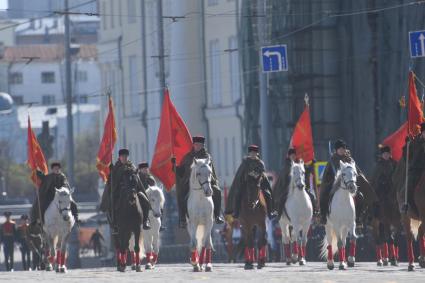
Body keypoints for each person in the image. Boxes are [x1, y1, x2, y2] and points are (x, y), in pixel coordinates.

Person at [319, 139, 378, 225]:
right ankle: (323, 216)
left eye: (343, 148)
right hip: (334, 185)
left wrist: (355, 180)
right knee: (324, 195)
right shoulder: (331, 161)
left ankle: (358, 218)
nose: (342, 150)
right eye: (340, 149)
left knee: (360, 197)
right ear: (336, 150)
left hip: (349, 184)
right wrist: (331, 181)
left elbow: (357, 172)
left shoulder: (350, 160)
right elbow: (326, 177)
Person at [173, 136, 224, 228]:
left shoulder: (207, 157)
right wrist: (174, 166)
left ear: (203, 145)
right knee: (180, 194)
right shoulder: (188, 157)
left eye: (200, 145)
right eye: (196, 145)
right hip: (190, 182)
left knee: (217, 191)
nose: (198, 146)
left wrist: (211, 181)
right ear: (193, 145)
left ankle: (217, 215)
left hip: (206, 181)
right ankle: (182, 218)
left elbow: (211, 171)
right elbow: (181, 171)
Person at [100, 149, 151, 231]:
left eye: (126, 156)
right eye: (122, 156)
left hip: (132, 190)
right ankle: (114, 223)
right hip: (119, 190)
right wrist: (111, 171)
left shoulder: (132, 166)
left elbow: (136, 179)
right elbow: (111, 181)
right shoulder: (115, 167)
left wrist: (134, 179)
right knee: (111, 202)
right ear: (119, 157)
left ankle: (145, 220)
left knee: (145, 200)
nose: (124, 158)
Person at [225, 145, 278, 220]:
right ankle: (236, 212)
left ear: (257, 153)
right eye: (251, 153)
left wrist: (253, 174)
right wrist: (250, 174)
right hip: (246, 183)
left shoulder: (260, 163)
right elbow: (242, 174)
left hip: (259, 183)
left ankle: (270, 213)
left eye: (254, 153)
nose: (253, 154)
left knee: (268, 194)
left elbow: (261, 173)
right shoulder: (245, 163)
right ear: (249, 153)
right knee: (238, 193)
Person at [273, 148, 318, 218]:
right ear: (289, 156)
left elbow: (305, 172)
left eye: (294, 155)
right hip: (288, 187)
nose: (293, 157)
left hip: (300, 186)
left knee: (311, 196)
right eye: (291, 155)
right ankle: (278, 214)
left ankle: (314, 213)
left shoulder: (299, 164)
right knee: (282, 199)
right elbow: (284, 177)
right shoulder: (286, 165)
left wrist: (311, 163)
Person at [138, 162, 166, 232]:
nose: (145, 170)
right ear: (140, 170)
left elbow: (155, 188)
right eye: (143, 169)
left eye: (146, 169)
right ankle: (145, 222)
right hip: (141, 197)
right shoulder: (138, 178)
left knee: (160, 205)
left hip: (151, 198)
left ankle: (160, 224)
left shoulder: (150, 177)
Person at [370, 146, 398, 216]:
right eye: (384, 154)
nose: (386, 155)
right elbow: (374, 177)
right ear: (382, 155)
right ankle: (375, 214)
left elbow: (397, 174)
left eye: (387, 153)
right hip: (381, 187)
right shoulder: (378, 165)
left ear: (390, 154)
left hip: (393, 186)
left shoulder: (394, 164)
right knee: (376, 199)